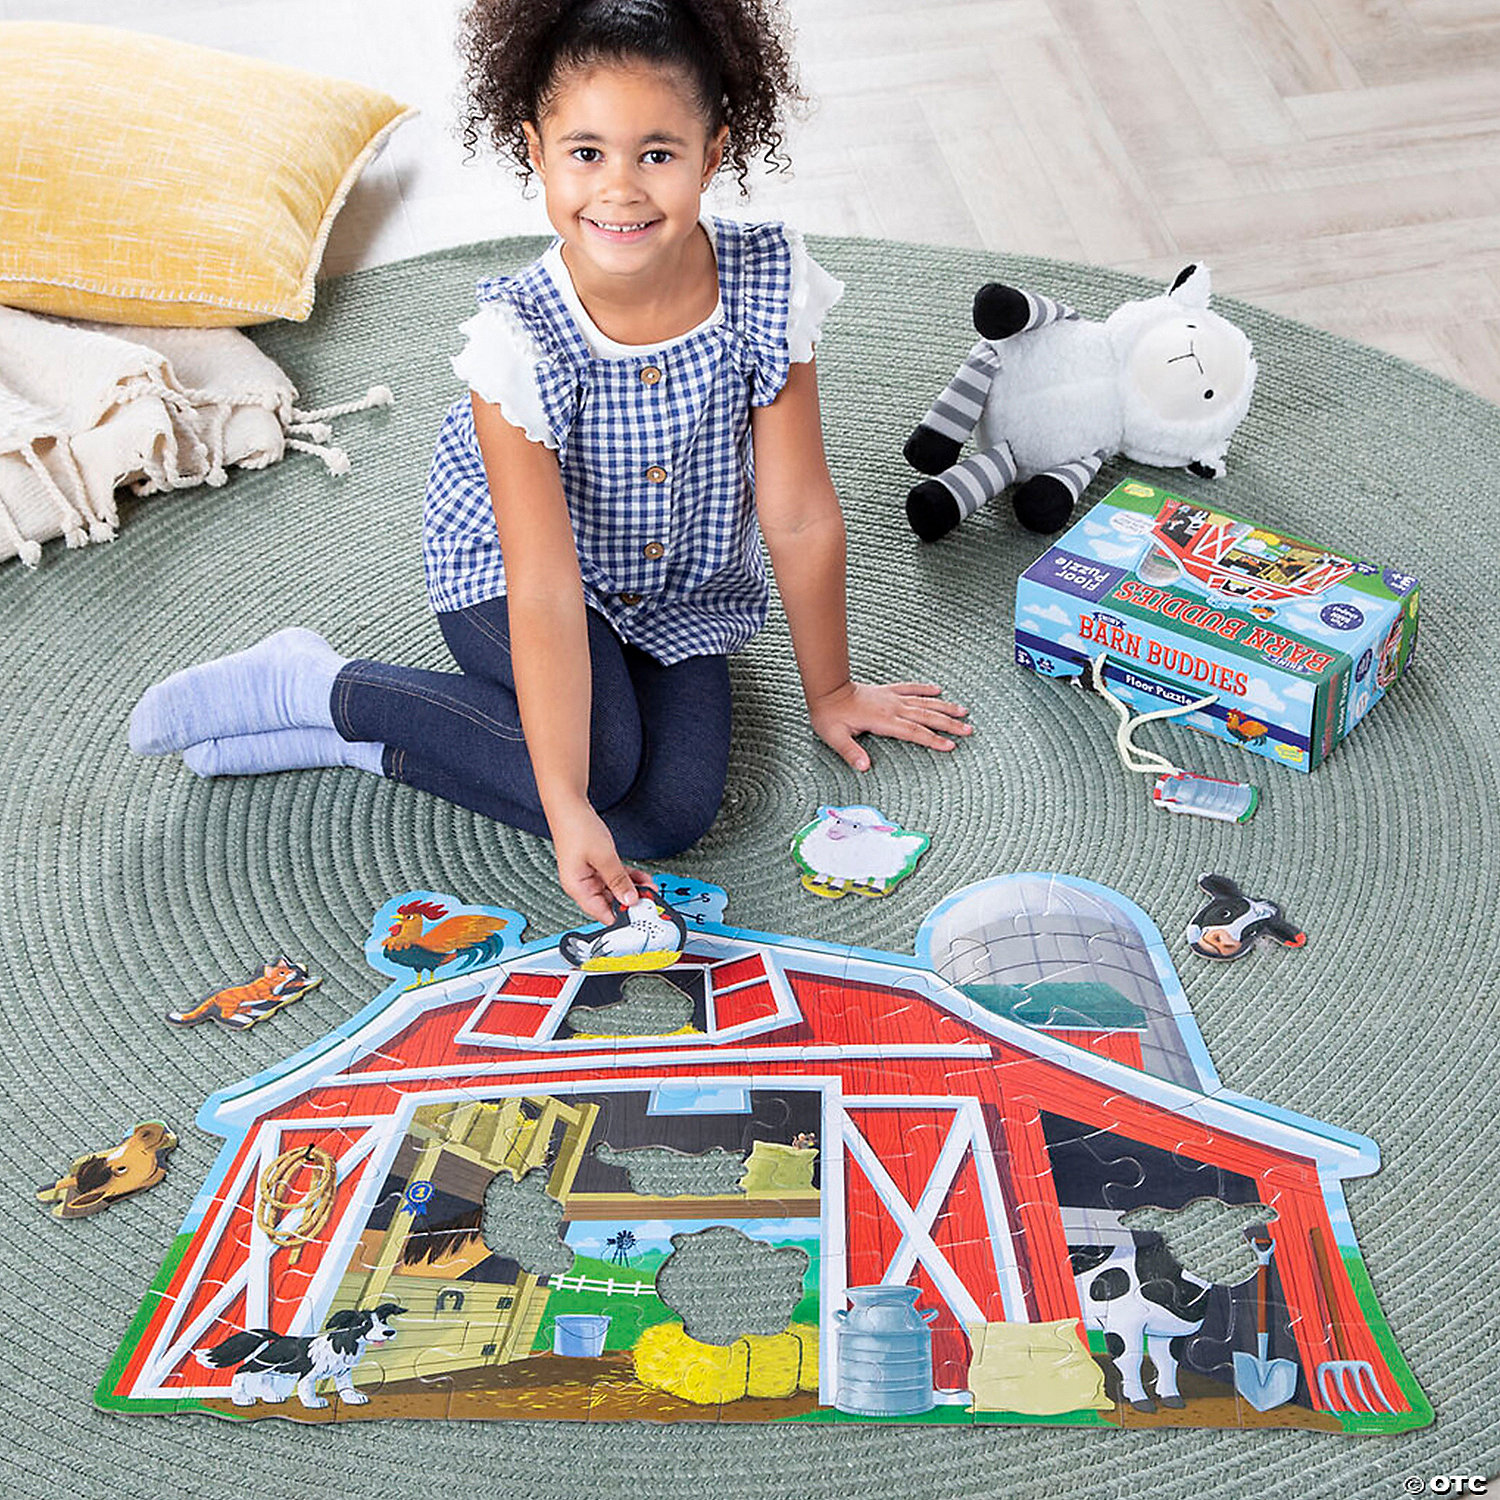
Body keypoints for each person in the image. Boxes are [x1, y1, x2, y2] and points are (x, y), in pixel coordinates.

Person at [130, 0, 971, 922]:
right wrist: (564, 805)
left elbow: (800, 513)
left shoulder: (771, 284)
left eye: (657, 152)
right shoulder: (518, 341)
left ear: (714, 151)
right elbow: (542, 587)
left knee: (666, 816)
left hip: (679, 589)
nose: (620, 189)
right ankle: (318, 685)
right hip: (512, 571)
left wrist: (834, 688)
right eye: (585, 152)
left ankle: (362, 738)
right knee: (599, 769)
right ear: (534, 149)